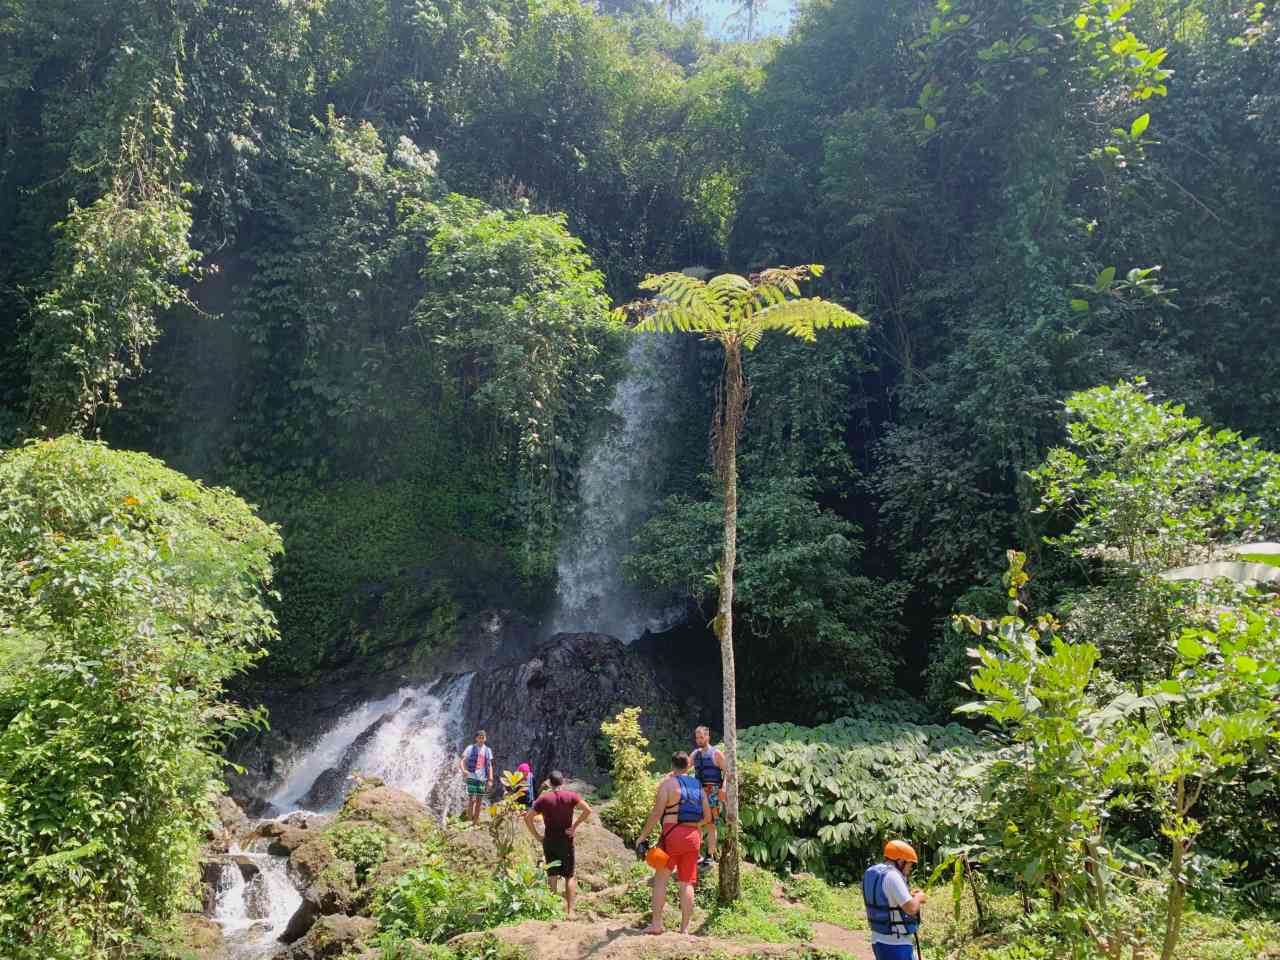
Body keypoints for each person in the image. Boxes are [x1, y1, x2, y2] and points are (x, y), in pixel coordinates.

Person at [636, 752, 710, 936]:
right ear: (688, 766)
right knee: (687, 882)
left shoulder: (668, 785)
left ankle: (656, 925)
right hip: (694, 837)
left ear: (672, 765)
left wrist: (642, 837)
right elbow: (708, 817)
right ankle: (684, 929)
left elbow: (656, 814)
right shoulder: (698, 786)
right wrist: (693, 826)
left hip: (672, 834)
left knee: (661, 878)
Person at [525, 770, 593, 919]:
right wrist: (574, 826)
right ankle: (570, 912)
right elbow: (588, 810)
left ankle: (552, 910)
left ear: (549, 783)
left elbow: (528, 818)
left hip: (549, 840)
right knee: (569, 876)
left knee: (552, 875)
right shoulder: (571, 796)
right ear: (563, 783)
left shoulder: (543, 799)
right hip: (566, 839)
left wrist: (537, 836)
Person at [862, 839, 928, 960]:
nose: (910, 868)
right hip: (896, 944)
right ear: (901, 861)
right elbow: (911, 908)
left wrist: (909, 895)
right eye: (910, 864)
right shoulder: (893, 876)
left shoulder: (874, 872)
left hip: (878, 940)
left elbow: (887, 899)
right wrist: (918, 898)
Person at [690, 725, 726, 868]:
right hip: (698, 792)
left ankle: (710, 855)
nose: (699, 740)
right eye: (697, 737)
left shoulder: (716, 753)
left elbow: (729, 771)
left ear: (708, 737)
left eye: (701, 737)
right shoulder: (695, 754)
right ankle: (697, 854)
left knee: (711, 824)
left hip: (713, 791)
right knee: (696, 822)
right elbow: (683, 767)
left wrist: (723, 789)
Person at [458, 730, 494, 825]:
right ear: (476, 738)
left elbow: (490, 765)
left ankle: (475, 822)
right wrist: (463, 770)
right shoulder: (470, 748)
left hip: (482, 778)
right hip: (472, 776)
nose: (481, 740)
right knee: (472, 799)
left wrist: (490, 779)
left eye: (483, 738)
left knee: (479, 800)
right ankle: (469, 820)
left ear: (485, 738)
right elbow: (462, 760)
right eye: (479, 737)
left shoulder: (487, 750)